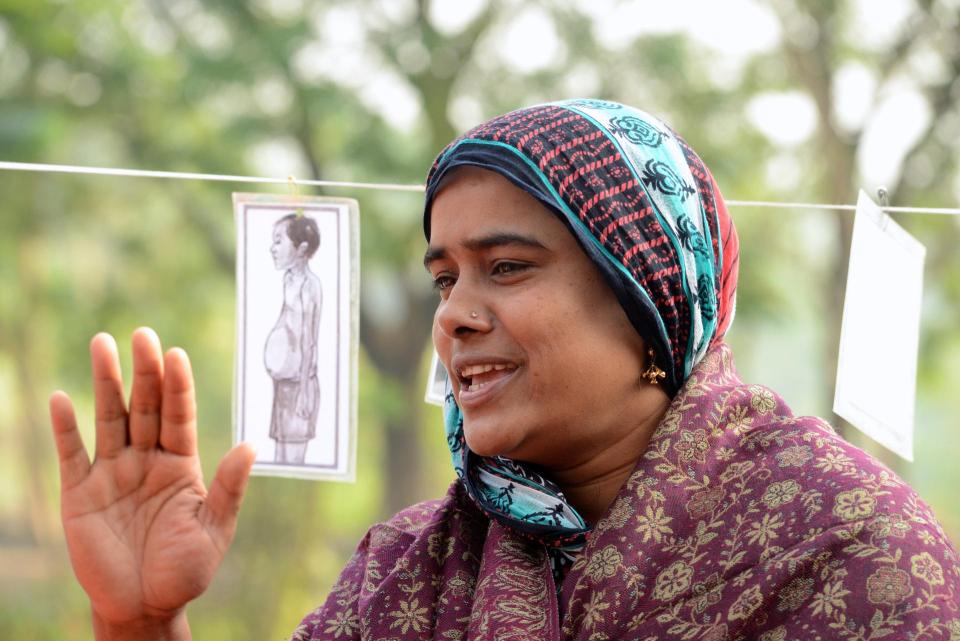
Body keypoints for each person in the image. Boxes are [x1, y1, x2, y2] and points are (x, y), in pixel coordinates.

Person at [49, 100, 960, 641]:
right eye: (444, 276)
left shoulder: (843, 551)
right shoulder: (408, 573)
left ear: (649, 295)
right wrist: (139, 622)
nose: (455, 314)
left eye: (508, 266)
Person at [265, 213, 322, 464]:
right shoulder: (287, 280)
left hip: (301, 385)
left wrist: (304, 391)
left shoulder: (310, 286)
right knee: (280, 455)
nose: (272, 248)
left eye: (279, 241)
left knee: (294, 457)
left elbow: (309, 339)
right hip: (283, 384)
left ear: (301, 249)